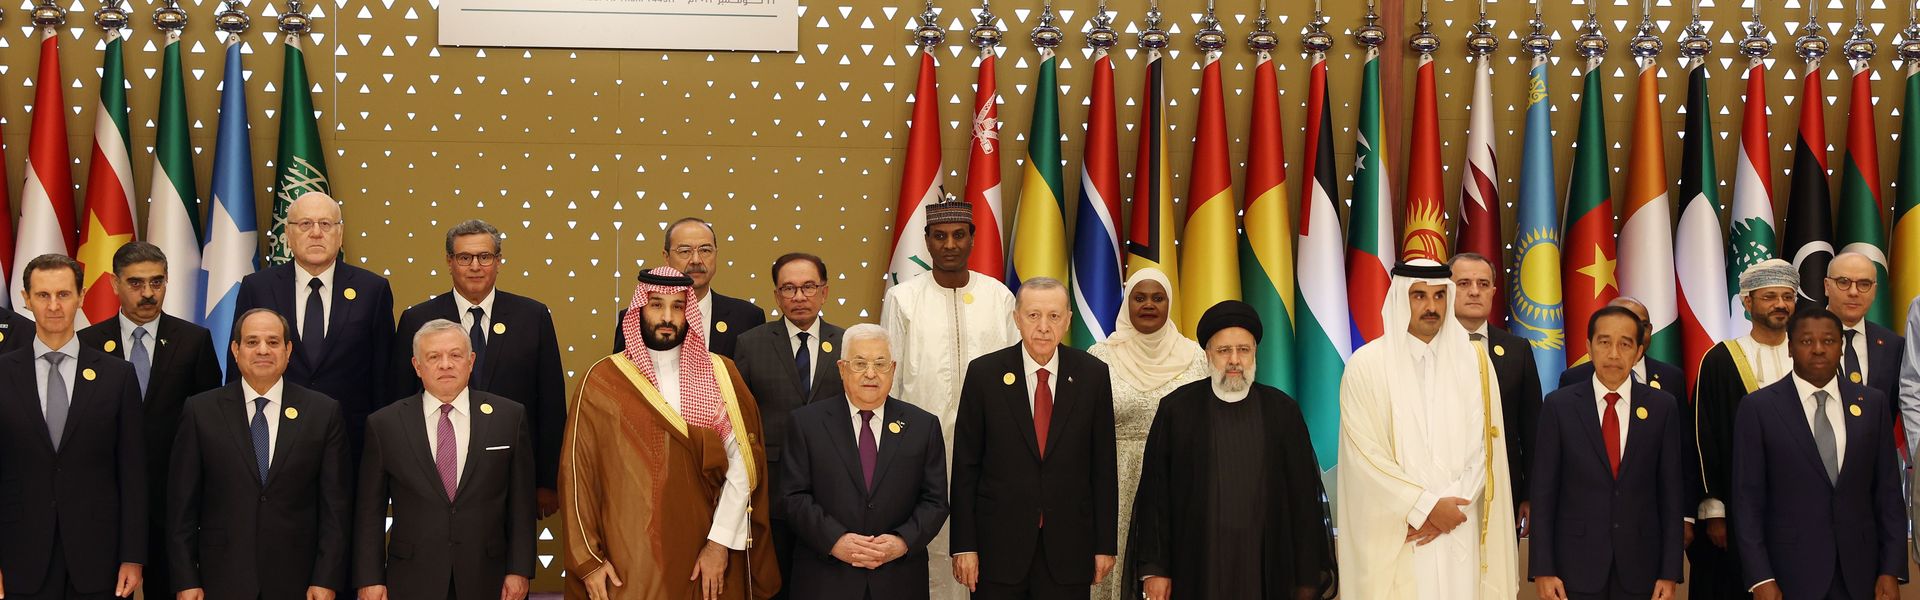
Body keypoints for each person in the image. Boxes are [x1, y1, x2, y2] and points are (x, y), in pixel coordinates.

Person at [560, 267, 778, 600]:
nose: (667, 316)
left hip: (705, 551)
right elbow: (578, 478)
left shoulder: (721, 373)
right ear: (638, 310)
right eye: (656, 304)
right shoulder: (602, 381)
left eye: (678, 306)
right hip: (627, 557)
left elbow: (743, 466)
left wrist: (718, 544)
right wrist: (588, 561)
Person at [1124, 301, 1336, 600]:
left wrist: (1306, 576)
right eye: (1224, 351)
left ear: (1254, 353)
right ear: (1208, 355)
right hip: (1195, 566)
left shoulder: (1282, 411)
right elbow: (1156, 498)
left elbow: (1303, 500)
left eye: (1243, 350)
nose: (1234, 360)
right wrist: (1155, 569)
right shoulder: (1177, 410)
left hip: (1267, 566)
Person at [1336, 259, 1519, 600]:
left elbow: (1486, 447)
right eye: (1418, 296)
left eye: (1439, 296)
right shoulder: (1366, 366)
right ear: (1399, 299)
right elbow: (1365, 454)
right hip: (1400, 529)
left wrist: (1452, 509)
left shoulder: (1474, 362)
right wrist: (1425, 507)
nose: (1431, 307)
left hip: (1458, 528)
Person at [880, 197, 1019, 600]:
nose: (950, 245)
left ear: (973, 239)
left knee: (988, 542)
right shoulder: (903, 299)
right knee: (931, 543)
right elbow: (893, 376)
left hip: (992, 449)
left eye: (959, 235)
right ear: (926, 240)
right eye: (939, 236)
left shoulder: (998, 297)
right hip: (922, 447)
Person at [950, 277, 1118, 600]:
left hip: (1069, 551)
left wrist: (1104, 545)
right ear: (1016, 318)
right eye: (1033, 315)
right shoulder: (984, 375)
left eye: (1054, 316)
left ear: (1068, 319)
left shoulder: (1093, 375)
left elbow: (1103, 468)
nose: (1043, 327)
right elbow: (965, 468)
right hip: (997, 551)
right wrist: (964, 545)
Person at [167, 308, 351, 600]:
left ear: (289, 350)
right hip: (220, 578)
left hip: (299, 581)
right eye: (252, 342)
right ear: (236, 350)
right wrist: (186, 579)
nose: (263, 350)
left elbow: (335, 509)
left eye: (273, 342)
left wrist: (326, 578)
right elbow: (181, 508)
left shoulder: (323, 412)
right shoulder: (200, 411)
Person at [73, 241, 223, 598]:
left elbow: (211, 420)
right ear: (114, 284)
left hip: (171, 498)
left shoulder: (194, 340)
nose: (148, 294)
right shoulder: (87, 344)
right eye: (136, 283)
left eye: (156, 283)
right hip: (104, 501)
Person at [391, 220, 566, 518]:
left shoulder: (533, 317)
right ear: (449, 262)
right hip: (435, 476)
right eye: (464, 257)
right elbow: (399, 402)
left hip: (513, 476)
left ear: (498, 262)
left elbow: (550, 404)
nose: (475, 266)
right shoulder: (416, 319)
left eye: (485, 257)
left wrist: (548, 482)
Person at [1732, 308, 1907, 600]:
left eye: (1828, 341)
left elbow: (1888, 493)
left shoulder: (1871, 404)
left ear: (1841, 347)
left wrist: (1891, 569)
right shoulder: (1758, 408)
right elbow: (1747, 501)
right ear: (1790, 347)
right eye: (1806, 341)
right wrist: (1760, 577)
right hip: (1789, 573)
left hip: (1861, 573)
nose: (1817, 350)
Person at [356, 320, 535, 600]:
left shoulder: (508, 417)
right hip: (411, 578)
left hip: (488, 576)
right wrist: (370, 578)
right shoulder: (385, 424)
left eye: (455, 355)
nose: (446, 364)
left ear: (471, 361)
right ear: (417, 366)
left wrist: (519, 570)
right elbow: (369, 511)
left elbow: (521, 504)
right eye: (434, 357)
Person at [0, 254, 146, 599]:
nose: (53, 306)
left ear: (81, 297)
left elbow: (133, 473)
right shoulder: (2, 374)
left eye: (63, 295)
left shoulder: (118, 376)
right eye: (43, 295)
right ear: (25, 299)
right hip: (20, 553)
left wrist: (133, 557)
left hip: (99, 556)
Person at [776, 323, 948, 600]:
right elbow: (793, 496)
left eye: (880, 363)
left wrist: (901, 542)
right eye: (860, 363)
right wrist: (835, 540)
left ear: (892, 369)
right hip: (826, 579)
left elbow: (936, 500)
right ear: (842, 368)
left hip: (898, 580)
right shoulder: (806, 423)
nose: (871, 373)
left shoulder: (922, 425)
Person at [1529, 306, 1685, 600]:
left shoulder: (1662, 407)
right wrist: (1543, 568)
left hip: (1641, 567)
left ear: (1639, 351)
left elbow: (1671, 494)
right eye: (1604, 342)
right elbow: (1544, 493)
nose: (1614, 353)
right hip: (1574, 566)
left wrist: (1669, 571)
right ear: (1588, 347)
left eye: (1625, 344)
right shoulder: (1559, 406)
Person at [233, 191, 395, 461]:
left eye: (326, 224)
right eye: (305, 224)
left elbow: (383, 376)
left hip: (349, 443)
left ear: (340, 234)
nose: (316, 233)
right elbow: (238, 364)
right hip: (272, 438)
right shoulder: (257, 287)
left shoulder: (372, 290)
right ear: (288, 233)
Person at [1083, 268, 1207, 600]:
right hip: (1114, 485)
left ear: (1170, 303)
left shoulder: (1196, 358)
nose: (1148, 305)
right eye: (1139, 297)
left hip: (1177, 483)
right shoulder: (1099, 358)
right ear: (1127, 304)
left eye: (1158, 298)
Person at [733, 252, 846, 598]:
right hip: (772, 492)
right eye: (789, 288)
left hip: (834, 491)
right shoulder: (750, 344)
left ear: (824, 292)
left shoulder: (847, 343)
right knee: (775, 583)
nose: (799, 297)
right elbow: (740, 420)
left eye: (808, 287)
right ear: (777, 295)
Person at [1692, 259, 1800, 600]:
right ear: (1747, 302)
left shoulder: (1813, 356)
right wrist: (1715, 512)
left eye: (1788, 296)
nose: (1781, 304)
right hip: (1737, 510)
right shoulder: (1720, 358)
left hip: (1802, 511)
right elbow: (1703, 437)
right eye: (1770, 296)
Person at [1449, 252, 1544, 537]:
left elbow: (1533, 430)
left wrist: (1530, 494)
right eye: (1464, 283)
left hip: (1504, 490)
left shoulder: (1518, 350)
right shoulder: (1430, 348)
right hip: (1444, 493)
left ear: (1493, 290)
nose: (1474, 291)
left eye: (1483, 283)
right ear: (1447, 290)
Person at [611, 217, 765, 358]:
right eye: (685, 251)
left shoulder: (748, 317)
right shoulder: (637, 318)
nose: (696, 260)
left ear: (716, 254)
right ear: (666, 257)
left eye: (705, 250)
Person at [1822, 253, 1906, 451]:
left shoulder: (1893, 345)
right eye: (1843, 282)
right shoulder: (1800, 338)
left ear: (1874, 291)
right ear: (1827, 286)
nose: (1853, 292)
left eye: (1864, 284)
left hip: (1872, 467)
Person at [1556, 297, 1687, 397]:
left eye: (1643, 326)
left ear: (1651, 329)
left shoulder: (1672, 378)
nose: (1636, 333)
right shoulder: (1573, 379)